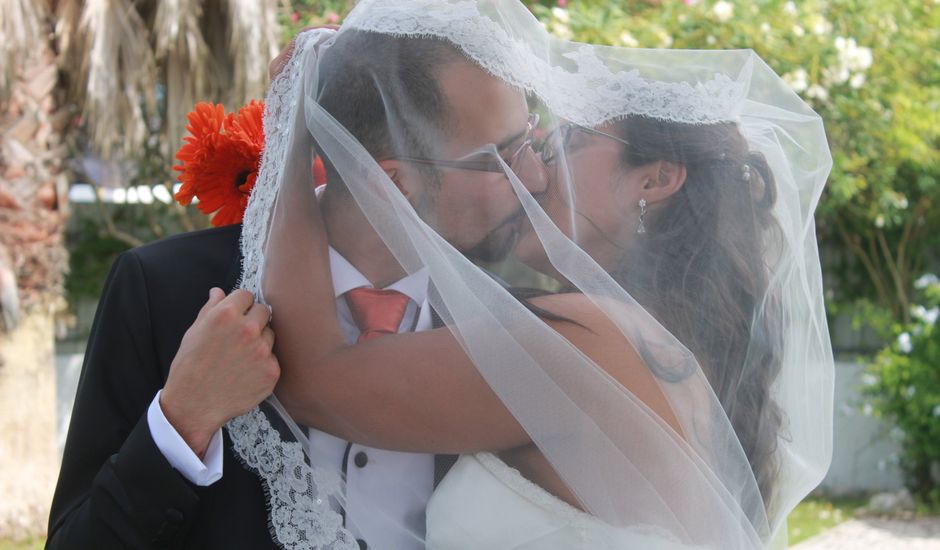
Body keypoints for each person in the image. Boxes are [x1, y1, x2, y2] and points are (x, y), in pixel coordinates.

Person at [242, 1, 834, 548]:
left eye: (566, 144)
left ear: (653, 181)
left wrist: (294, 131)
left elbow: (313, 379)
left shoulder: (595, 342)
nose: (538, 173)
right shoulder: (652, 345)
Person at [46, 25, 546, 549]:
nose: (535, 179)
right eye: (503, 158)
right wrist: (184, 419)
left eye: (530, 141)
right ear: (393, 183)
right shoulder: (164, 291)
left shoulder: (516, 333)